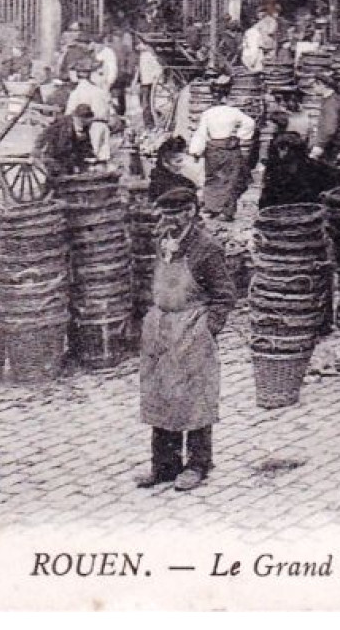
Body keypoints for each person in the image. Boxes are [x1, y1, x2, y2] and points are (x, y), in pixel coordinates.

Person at [136, 187, 236, 493]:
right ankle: (164, 465)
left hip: (192, 328)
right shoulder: (162, 242)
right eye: (164, 214)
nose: (168, 221)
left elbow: (224, 294)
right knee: (160, 394)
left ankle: (197, 465)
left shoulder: (206, 248)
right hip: (160, 328)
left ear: (190, 212)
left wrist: (208, 329)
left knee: (194, 399)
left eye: (174, 214)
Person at [187, 79, 257, 222]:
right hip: (229, 147)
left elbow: (201, 133)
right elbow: (250, 123)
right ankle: (225, 211)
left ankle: (214, 207)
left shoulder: (208, 113)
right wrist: (241, 136)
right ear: (227, 95)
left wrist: (196, 151)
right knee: (230, 180)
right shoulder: (234, 112)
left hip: (213, 147)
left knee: (214, 178)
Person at [38, 105, 97, 177]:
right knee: (61, 178)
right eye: (85, 117)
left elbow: (86, 145)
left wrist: (90, 158)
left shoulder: (84, 126)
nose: (88, 121)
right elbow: (45, 135)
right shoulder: (62, 124)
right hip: (55, 156)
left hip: (68, 157)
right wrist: (37, 150)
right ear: (77, 117)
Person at [148, 137, 196, 203]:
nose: (183, 165)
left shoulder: (187, 182)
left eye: (185, 160)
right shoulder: (158, 186)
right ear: (165, 162)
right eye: (178, 161)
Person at [135, 39, 165, 130]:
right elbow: (140, 70)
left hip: (148, 82)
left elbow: (158, 68)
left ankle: (149, 124)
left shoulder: (149, 55)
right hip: (144, 82)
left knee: (146, 104)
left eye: (141, 44)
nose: (139, 46)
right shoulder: (143, 55)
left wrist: (155, 79)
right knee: (144, 104)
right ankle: (151, 119)